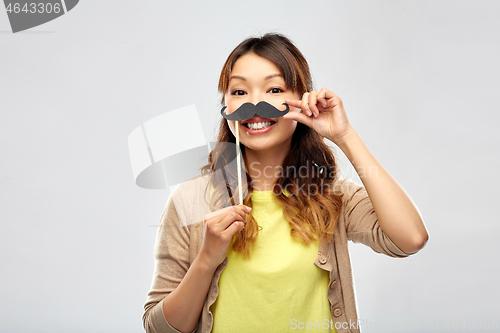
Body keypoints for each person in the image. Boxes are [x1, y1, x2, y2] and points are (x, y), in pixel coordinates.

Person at [142, 33, 429, 333]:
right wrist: (205, 260)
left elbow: (410, 238)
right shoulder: (190, 199)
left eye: (274, 89)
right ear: (224, 106)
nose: (254, 105)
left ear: (303, 99)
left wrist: (344, 135)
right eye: (239, 91)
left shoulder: (330, 195)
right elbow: (158, 328)